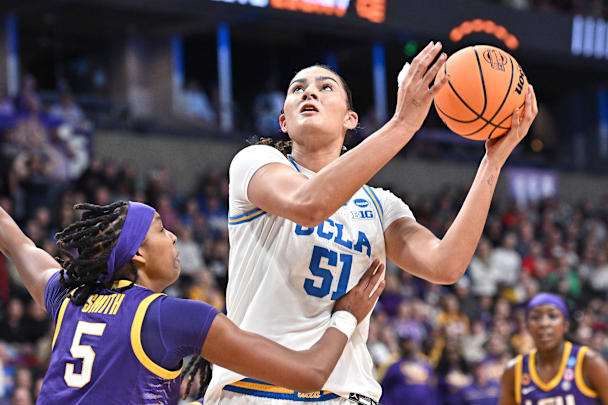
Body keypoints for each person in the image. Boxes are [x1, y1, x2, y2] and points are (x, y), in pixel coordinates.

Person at [0, 132, 386, 404]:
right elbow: (307, 373)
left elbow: (19, 248)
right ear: (137, 253)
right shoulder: (172, 317)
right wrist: (348, 314)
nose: (174, 235)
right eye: (159, 229)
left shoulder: (71, 299)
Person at [204, 40, 539, 404]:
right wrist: (402, 124)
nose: (309, 92)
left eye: (324, 87)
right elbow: (309, 204)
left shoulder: (379, 205)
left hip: (349, 392)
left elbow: (446, 265)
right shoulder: (256, 163)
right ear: (283, 121)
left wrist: (492, 162)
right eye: (297, 88)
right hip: (257, 390)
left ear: (350, 120)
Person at [498, 293, 608, 405]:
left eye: (552, 316)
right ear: (527, 326)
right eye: (535, 317)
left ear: (565, 324)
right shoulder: (514, 371)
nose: (544, 324)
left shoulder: (589, 362)